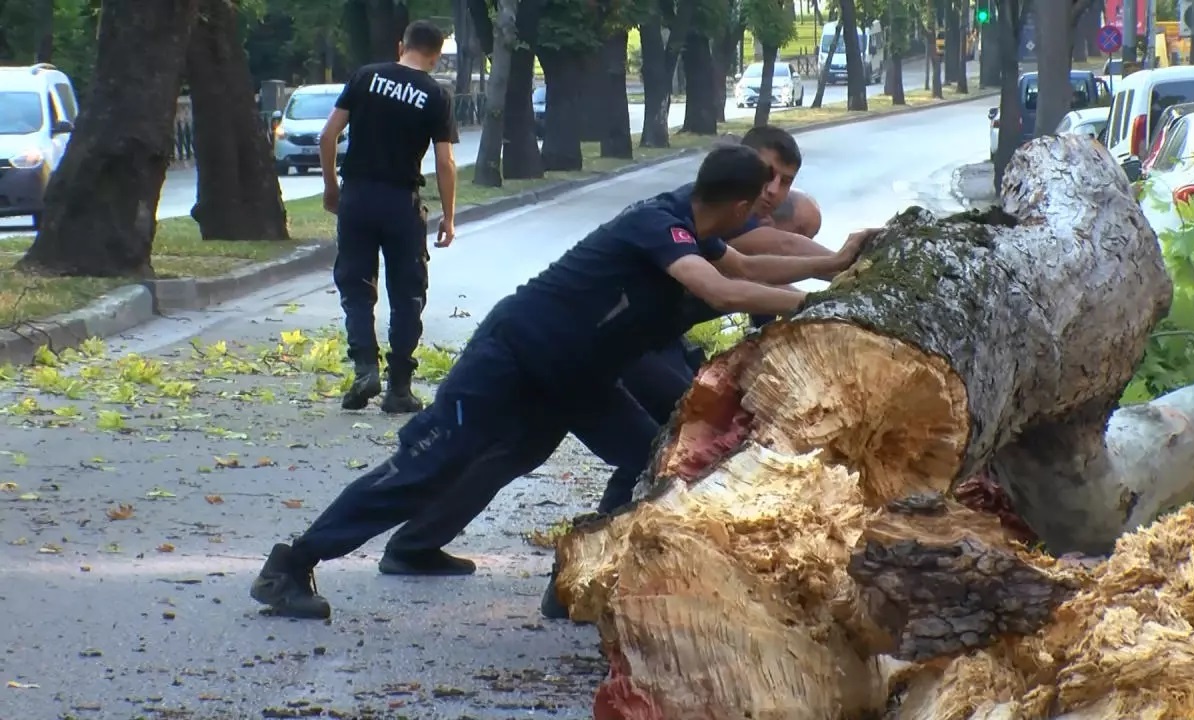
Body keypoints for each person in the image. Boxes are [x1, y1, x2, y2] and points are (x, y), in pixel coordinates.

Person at [250, 146, 875, 620]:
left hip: (579, 374)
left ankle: (575, 582)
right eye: (763, 194)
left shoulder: (699, 227)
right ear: (739, 206)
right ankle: (292, 563)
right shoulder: (658, 225)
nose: (769, 203)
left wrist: (834, 265)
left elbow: (744, 264)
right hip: (517, 356)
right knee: (432, 463)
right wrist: (809, 303)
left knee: (650, 460)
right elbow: (718, 286)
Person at [373, 126, 826, 575]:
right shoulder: (723, 219)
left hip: (642, 344)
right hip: (605, 347)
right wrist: (845, 266)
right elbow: (774, 253)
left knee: (528, 449)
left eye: (785, 181)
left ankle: (418, 544)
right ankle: (598, 563)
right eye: (769, 176)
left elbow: (769, 303)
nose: (773, 190)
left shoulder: (731, 220)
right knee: (664, 444)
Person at [321, 20, 459, 415]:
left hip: (358, 197)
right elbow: (446, 162)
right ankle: (399, 387)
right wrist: (448, 217)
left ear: (402, 45)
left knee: (356, 285)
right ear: (434, 56)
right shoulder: (435, 94)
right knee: (407, 292)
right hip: (401, 202)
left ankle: (365, 367)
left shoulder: (365, 77)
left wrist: (332, 188)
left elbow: (328, 135)